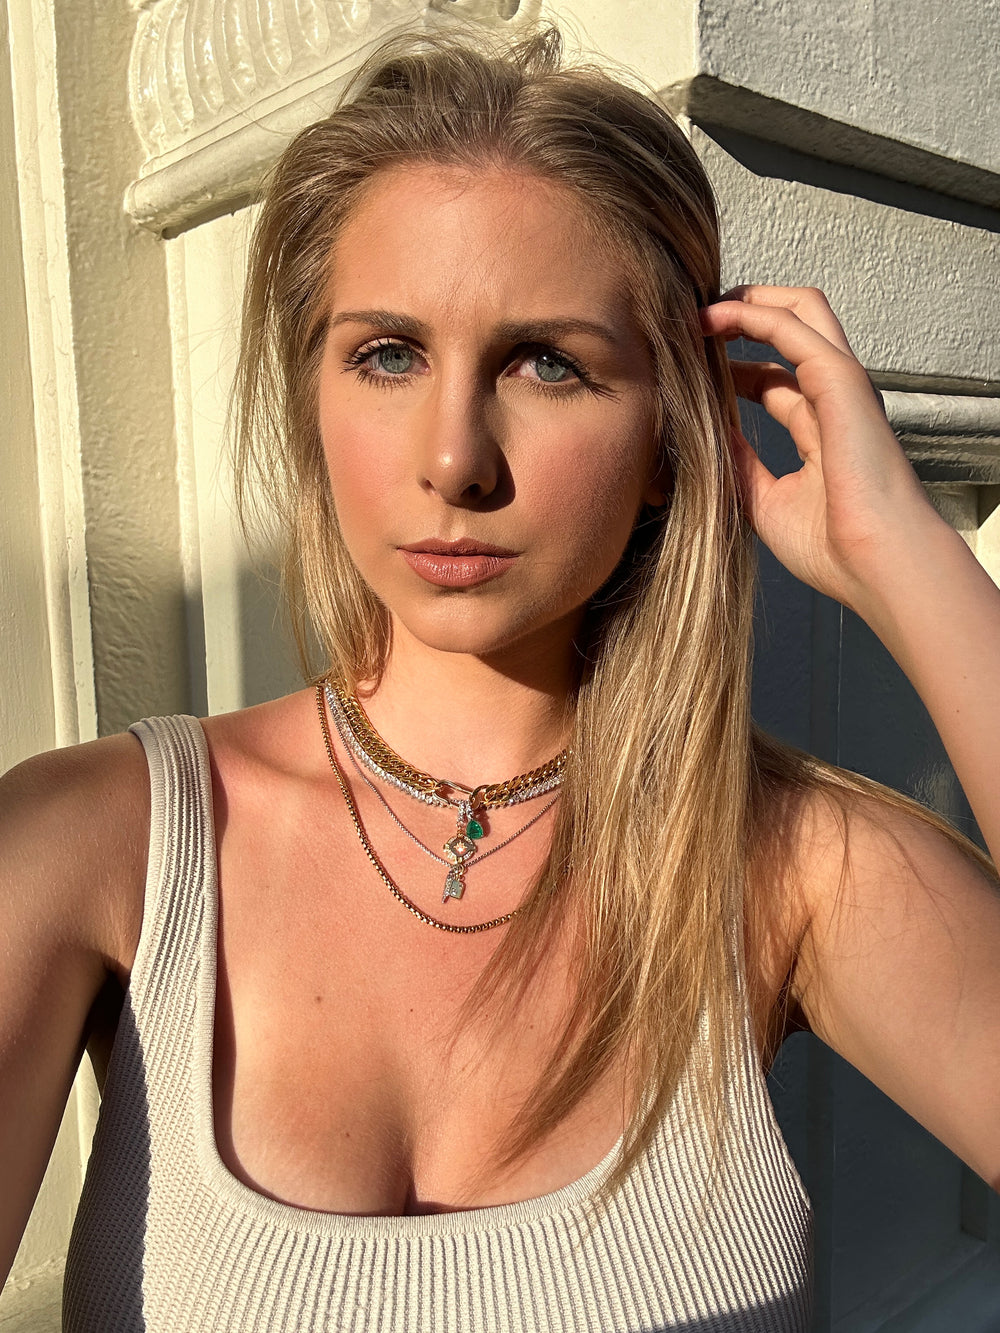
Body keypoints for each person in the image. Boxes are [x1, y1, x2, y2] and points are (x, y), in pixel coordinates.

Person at [2, 22, 998, 1333]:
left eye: (548, 362)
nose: (455, 458)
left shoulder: (787, 867)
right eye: (388, 353)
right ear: (310, 395)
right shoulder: (92, 840)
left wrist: (910, 561)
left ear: (667, 437)